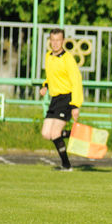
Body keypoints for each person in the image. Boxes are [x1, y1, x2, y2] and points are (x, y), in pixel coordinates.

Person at [38, 28, 83, 171]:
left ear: (63, 41)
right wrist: (45, 86)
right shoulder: (48, 56)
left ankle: (66, 165)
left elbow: (76, 82)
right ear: (50, 41)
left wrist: (75, 105)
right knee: (46, 134)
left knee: (55, 133)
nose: (55, 43)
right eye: (53, 40)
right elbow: (50, 76)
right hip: (55, 99)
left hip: (67, 99)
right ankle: (74, 134)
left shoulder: (68, 59)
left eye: (58, 40)